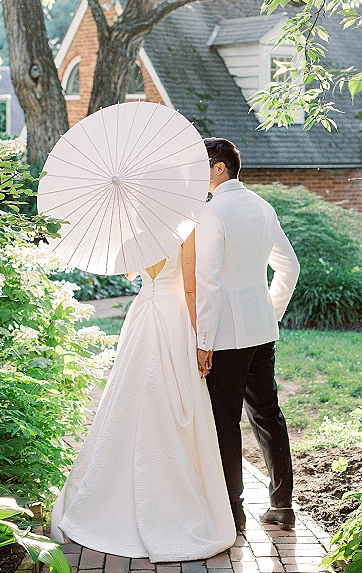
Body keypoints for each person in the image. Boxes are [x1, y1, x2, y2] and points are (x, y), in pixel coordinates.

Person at [50, 232, 236, 561]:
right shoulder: (187, 228)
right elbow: (190, 286)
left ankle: (107, 498)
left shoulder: (139, 228)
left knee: (130, 394)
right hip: (173, 315)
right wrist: (201, 338)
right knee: (172, 398)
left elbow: (129, 274)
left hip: (143, 312)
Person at [195, 138, 300, 532]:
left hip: (224, 335)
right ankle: (283, 505)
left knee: (225, 420)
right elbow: (290, 267)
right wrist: (268, 311)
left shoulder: (212, 213)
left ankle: (233, 512)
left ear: (219, 167)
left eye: (201, 165)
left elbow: (209, 281)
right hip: (261, 329)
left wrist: (203, 340)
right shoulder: (262, 206)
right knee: (268, 414)